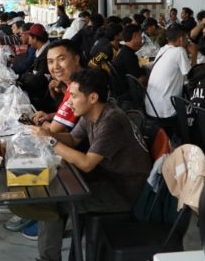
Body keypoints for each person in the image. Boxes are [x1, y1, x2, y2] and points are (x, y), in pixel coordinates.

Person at [12, 68, 151, 261]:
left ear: (93, 97)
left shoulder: (111, 121)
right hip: (104, 177)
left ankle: (47, 255)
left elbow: (86, 164)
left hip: (121, 192)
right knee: (52, 184)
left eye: (74, 96)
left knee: (55, 201)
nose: (68, 101)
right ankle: (38, 209)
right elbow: (72, 139)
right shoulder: (91, 114)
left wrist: (50, 141)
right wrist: (46, 133)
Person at [145, 24, 195, 136]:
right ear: (181, 39)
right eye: (186, 38)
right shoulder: (180, 51)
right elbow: (192, 77)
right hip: (165, 112)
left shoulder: (163, 49)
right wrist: (194, 54)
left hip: (151, 108)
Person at [31, 40, 83, 133]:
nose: (55, 66)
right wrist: (49, 116)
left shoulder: (79, 87)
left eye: (61, 59)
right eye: (50, 61)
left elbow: (53, 130)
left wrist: (39, 122)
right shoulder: (74, 82)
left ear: (76, 59)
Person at [112, 24, 147, 99]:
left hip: (122, 88)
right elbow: (141, 80)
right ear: (135, 36)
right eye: (140, 35)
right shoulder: (129, 56)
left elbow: (140, 60)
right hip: (130, 91)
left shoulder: (125, 50)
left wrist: (151, 59)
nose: (141, 38)